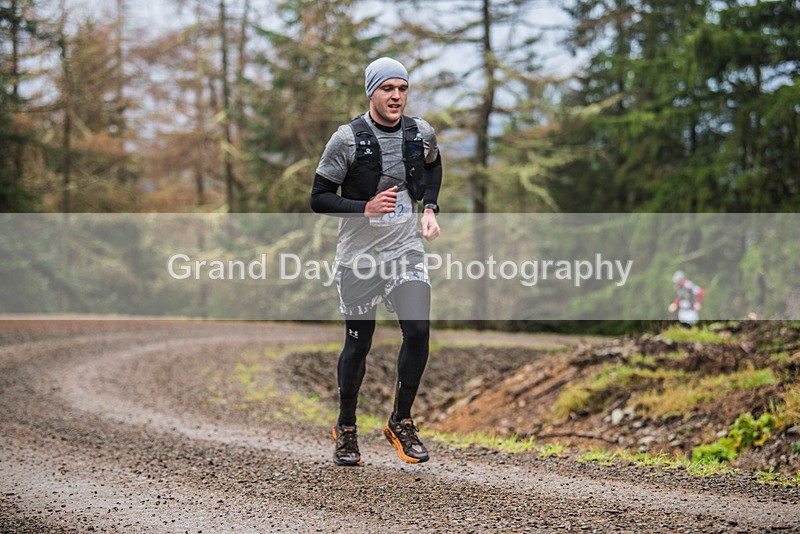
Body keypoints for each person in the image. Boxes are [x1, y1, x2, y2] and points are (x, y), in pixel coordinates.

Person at [310, 57, 443, 466]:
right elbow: (319, 198)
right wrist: (363, 208)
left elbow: (434, 168)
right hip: (359, 260)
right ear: (372, 92)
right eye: (388, 89)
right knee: (359, 343)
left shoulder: (420, 132)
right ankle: (346, 426)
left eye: (402, 88)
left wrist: (430, 208)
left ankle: (401, 421)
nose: (397, 96)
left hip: (405, 251)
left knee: (418, 330)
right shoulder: (347, 140)